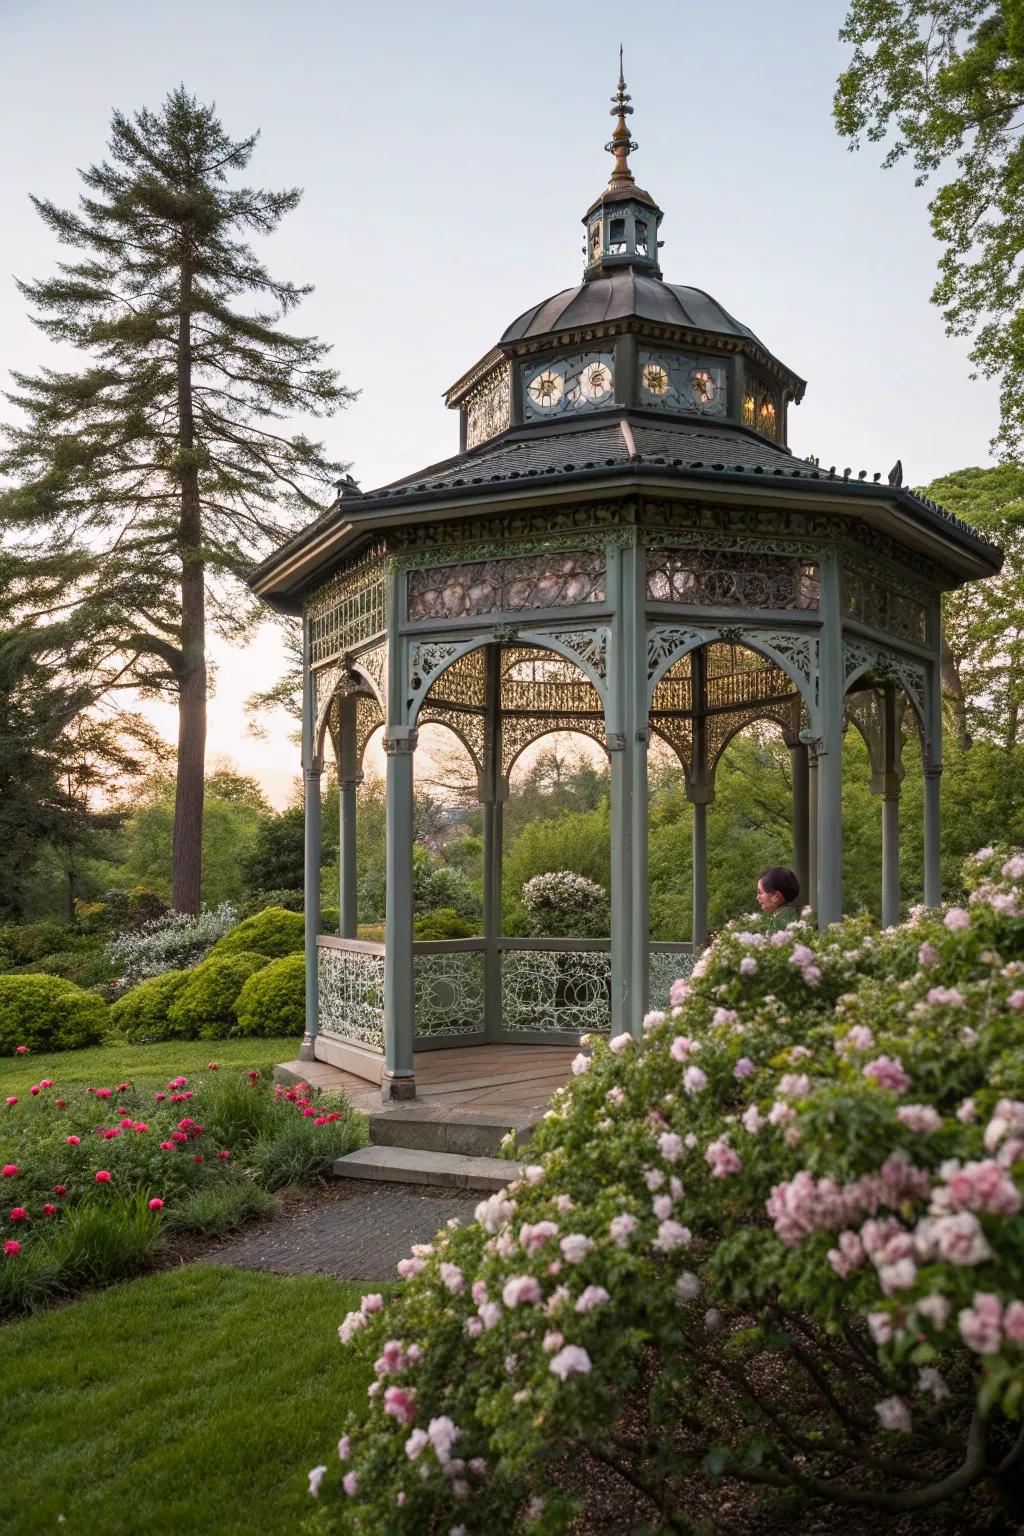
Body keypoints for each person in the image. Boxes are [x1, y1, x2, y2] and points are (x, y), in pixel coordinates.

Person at [756, 866, 801, 934]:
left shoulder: (787, 914)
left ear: (776, 896)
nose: (757, 897)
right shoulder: (781, 913)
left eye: (760, 892)